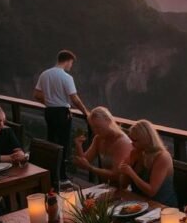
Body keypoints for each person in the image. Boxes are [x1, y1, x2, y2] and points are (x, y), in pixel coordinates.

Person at [34, 50, 88, 179]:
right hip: (62, 113)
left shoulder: (45, 74)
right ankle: (62, 176)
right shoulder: (66, 77)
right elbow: (75, 99)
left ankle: (52, 174)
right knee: (64, 144)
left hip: (49, 111)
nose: (71, 66)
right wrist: (86, 112)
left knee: (52, 142)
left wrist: (48, 102)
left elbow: (36, 95)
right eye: (71, 63)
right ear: (68, 60)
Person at [118, 119, 175, 206]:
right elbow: (123, 185)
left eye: (135, 140)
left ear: (146, 139)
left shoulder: (162, 157)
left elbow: (151, 191)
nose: (132, 144)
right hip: (139, 202)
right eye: (131, 140)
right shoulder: (136, 153)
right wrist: (126, 169)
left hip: (160, 205)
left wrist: (131, 173)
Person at [73, 107, 132, 186]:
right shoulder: (98, 138)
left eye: (99, 127)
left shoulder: (122, 142)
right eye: (93, 128)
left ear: (108, 121)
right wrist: (78, 146)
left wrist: (91, 168)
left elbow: (116, 175)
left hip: (122, 188)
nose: (96, 131)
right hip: (105, 186)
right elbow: (84, 162)